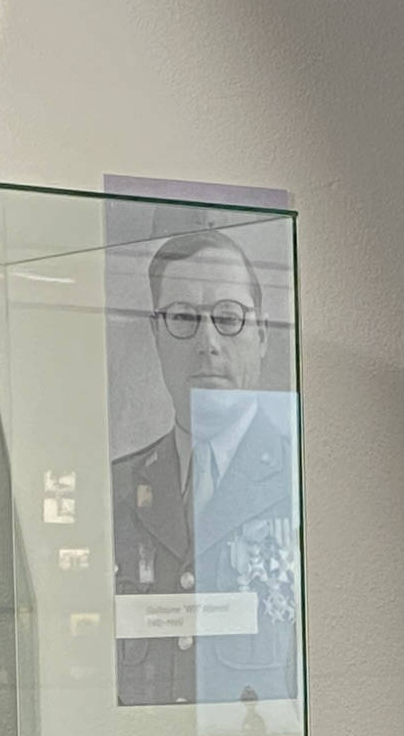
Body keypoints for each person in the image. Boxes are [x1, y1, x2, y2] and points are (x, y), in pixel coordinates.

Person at [115, 229, 303, 708]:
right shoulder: (115, 488)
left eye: (228, 317)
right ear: (156, 333)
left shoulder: (302, 482)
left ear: (262, 334)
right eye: (183, 317)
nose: (208, 343)